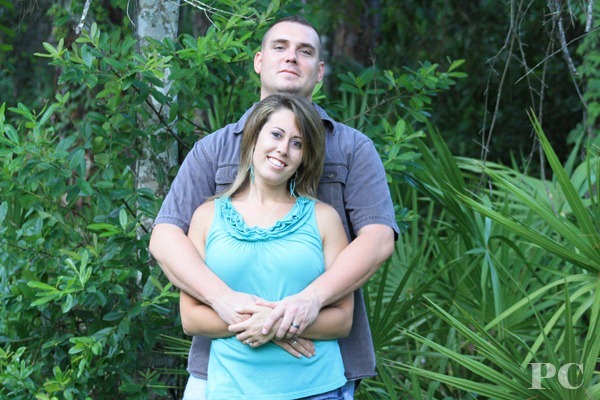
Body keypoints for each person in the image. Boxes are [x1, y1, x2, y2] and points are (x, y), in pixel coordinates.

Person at [149, 15, 399, 399]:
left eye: (305, 51)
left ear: (319, 71)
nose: (291, 57)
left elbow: (378, 240)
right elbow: (165, 237)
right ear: (259, 60)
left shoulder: (352, 149)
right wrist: (226, 301)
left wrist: (307, 302)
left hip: (319, 363)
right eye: (280, 47)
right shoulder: (213, 149)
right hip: (221, 366)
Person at [180, 93, 354, 399]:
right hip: (232, 390)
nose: (283, 149)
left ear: (304, 157)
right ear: (253, 138)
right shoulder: (206, 217)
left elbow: (342, 320)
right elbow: (191, 318)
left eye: (297, 143)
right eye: (276, 134)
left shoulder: (324, 218)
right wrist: (269, 324)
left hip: (316, 388)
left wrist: (270, 325)